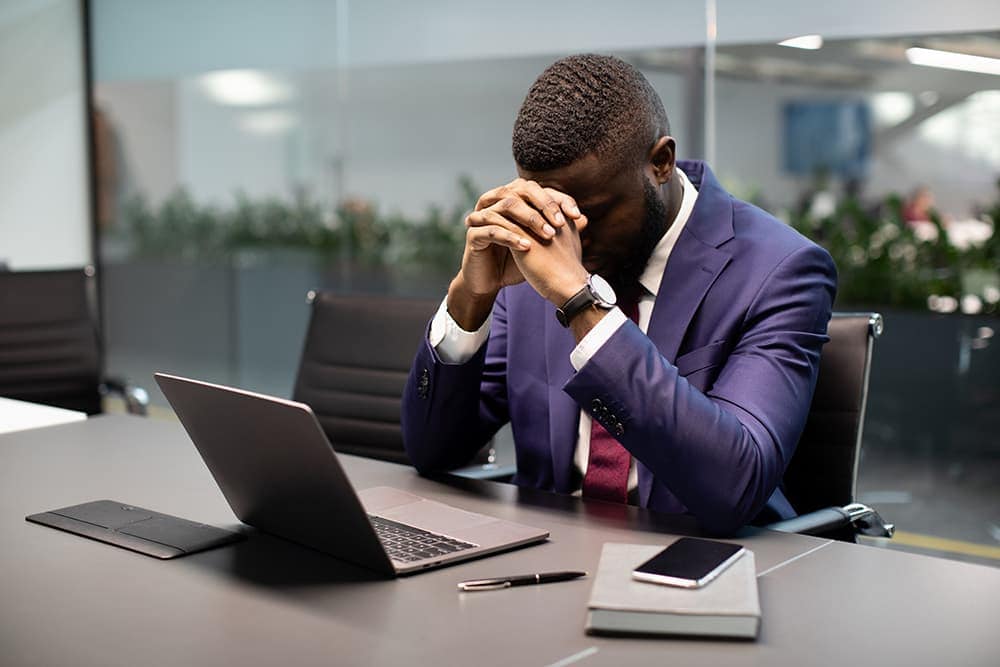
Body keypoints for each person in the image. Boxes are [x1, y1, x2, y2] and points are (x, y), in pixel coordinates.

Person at [400, 54, 836, 535]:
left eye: (593, 212)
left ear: (661, 163)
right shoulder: (533, 252)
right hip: (545, 560)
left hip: (699, 561)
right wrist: (469, 297)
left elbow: (733, 485)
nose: (568, 238)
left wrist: (579, 302)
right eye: (552, 209)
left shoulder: (780, 270)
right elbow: (433, 451)